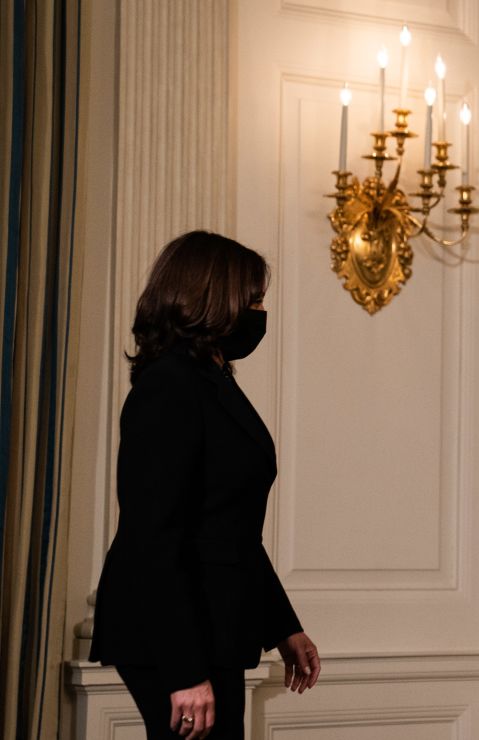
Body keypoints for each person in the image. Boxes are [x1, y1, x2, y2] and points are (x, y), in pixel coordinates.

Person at [90, 231, 321, 739]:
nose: (259, 313)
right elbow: (156, 535)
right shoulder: (169, 387)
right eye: (253, 300)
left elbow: (230, 526)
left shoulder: (212, 379)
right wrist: (184, 672)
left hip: (214, 622)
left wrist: (284, 627)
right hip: (174, 631)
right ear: (212, 301)